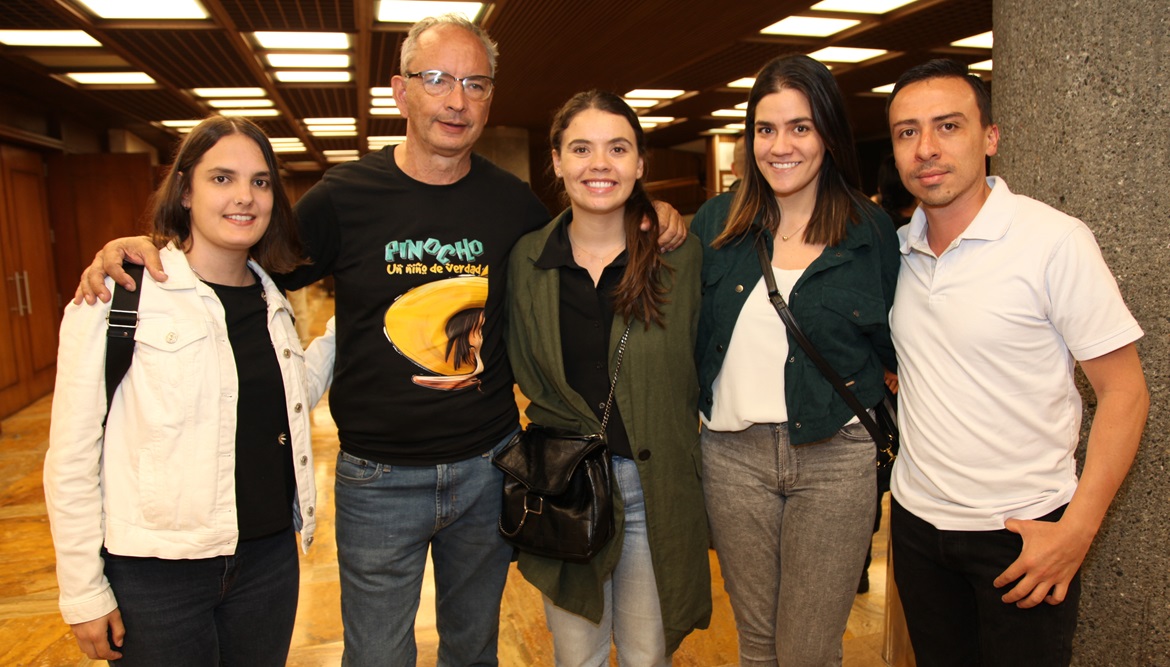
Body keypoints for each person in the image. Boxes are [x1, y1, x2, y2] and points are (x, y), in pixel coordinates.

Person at [73, 14, 686, 665]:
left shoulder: (515, 207)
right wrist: (154, 245)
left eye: (475, 84)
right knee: (376, 655)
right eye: (437, 79)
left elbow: (585, 251)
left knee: (474, 650)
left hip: (487, 467)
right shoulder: (343, 197)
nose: (456, 100)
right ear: (400, 91)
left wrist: (649, 213)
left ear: (489, 100)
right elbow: (243, 252)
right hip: (378, 479)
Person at [885, 59, 1149, 667]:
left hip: (1023, 534)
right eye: (907, 132)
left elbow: (1126, 392)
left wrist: (1076, 531)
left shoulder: (1054, 241)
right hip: (918, 527)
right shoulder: (896, 251)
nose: (926, 148)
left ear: (990, 137)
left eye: (948, 126)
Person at [43, 115, 330, 664]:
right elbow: (73, 453)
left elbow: (288, 396)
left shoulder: (272, 300)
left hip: (267, 562)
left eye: (260, 181)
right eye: (222, 178)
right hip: (157, 576)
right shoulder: (122, 294)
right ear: (185, 191)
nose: (244, 196)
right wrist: (83, 590)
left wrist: (356, 322)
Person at [690, 54, 899, 666]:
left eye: (800, 127)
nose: (780, 146)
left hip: (836, 455)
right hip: (732, 457)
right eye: (766, 129)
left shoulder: (869, 230)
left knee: (808, 649)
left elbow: (898, 346)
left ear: (828, 133)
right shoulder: (716, 223)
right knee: (757, 647)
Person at [506, 90, 710, 666]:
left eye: (618, 149)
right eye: (581, 149)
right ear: (556, 161)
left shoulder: (680, 257)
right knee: (578, 658)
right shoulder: (526, 261)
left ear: (640, 163)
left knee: (647, 655)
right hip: (566, 488)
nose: (599, 164)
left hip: (654, 486)